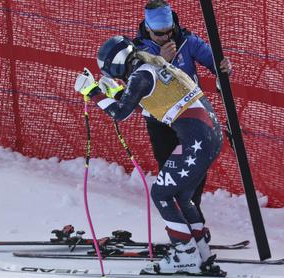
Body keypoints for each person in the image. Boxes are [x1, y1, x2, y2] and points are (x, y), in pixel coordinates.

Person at [74, 36, 224, 276]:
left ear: (117, 64)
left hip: (197, 140)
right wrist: (116, 92)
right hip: (208, 136)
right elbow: (148, 104)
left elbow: (120, 113)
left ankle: (185, 255)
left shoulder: (140, 75)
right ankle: (201, 253)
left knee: (161, 193)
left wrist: (92, 92)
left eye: (111, 72)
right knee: (182, 196)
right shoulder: (150, 66)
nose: (113, 76)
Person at [134, 0, 232, 225]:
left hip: (192, 117)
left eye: (170, 31)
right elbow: (138, 85)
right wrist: (161, 61)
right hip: (161, 121)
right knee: (172, 172)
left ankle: (192, 220)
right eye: (159, 34)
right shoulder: (139, 49)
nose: (166, 38)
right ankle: (183, 222)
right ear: (147, 29)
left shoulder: (187, 40)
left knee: (195, 169)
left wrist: (224, 69)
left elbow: (216, 63)